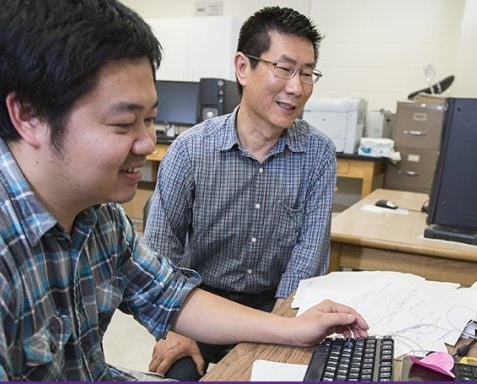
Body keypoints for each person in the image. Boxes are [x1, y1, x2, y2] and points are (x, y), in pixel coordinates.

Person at [0, 0, 368, 381]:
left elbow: (167, 294)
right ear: (28, 115)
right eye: (123, 123)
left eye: (150, 119)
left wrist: (295, 328)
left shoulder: (97, 211)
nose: (147, 144)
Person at [143, 6, 336, 380]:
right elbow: (158, 256)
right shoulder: (191, 150)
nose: (296, 87)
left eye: (307, 73)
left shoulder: (318, 154)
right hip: (195, 305)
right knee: (176, 373)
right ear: (243, 67)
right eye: (283, 68)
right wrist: (175, 329)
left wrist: (282, 330)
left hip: (273, 307)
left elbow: (306, 261)